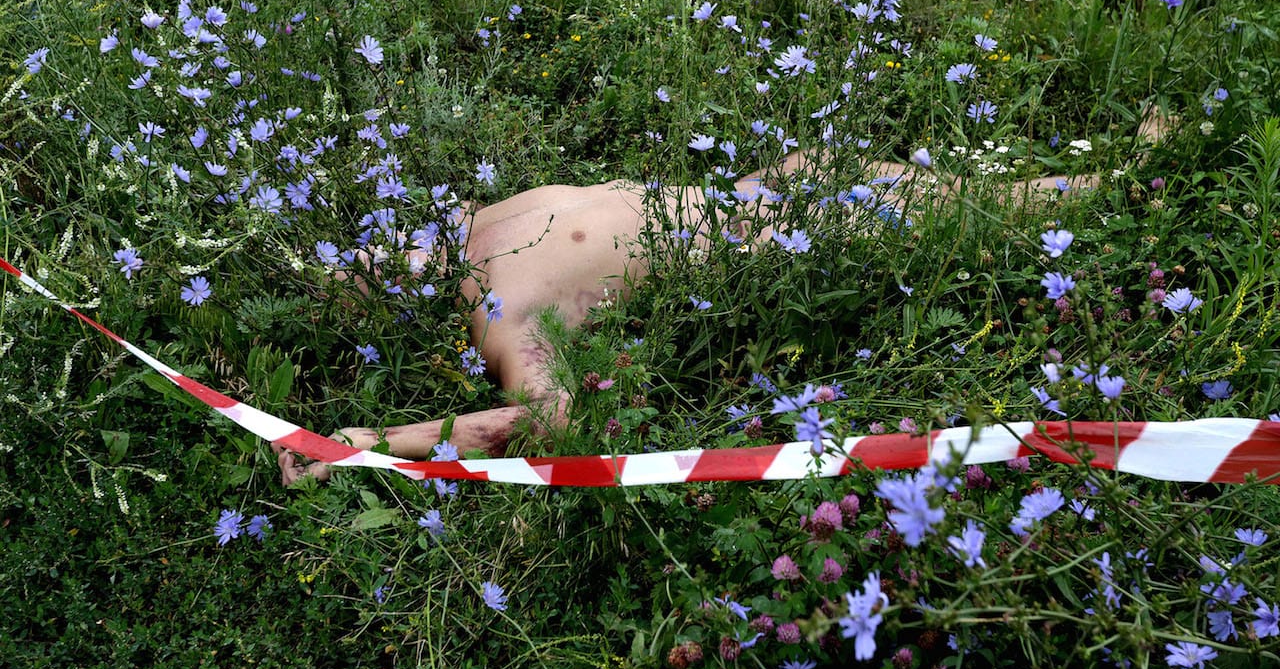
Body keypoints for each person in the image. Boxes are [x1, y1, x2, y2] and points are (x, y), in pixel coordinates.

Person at [276, 148, 1084, 485]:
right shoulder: (499, 309)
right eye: (356, 277)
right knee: (946, 209)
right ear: (389, 306)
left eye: (352, 256)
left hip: (754, 193)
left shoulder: (467, 221)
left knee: (842, 170)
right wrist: (374, 444)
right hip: (767, 252)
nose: (365, 257)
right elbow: (548, 419)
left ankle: (1069, 177)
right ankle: (1099, 185)